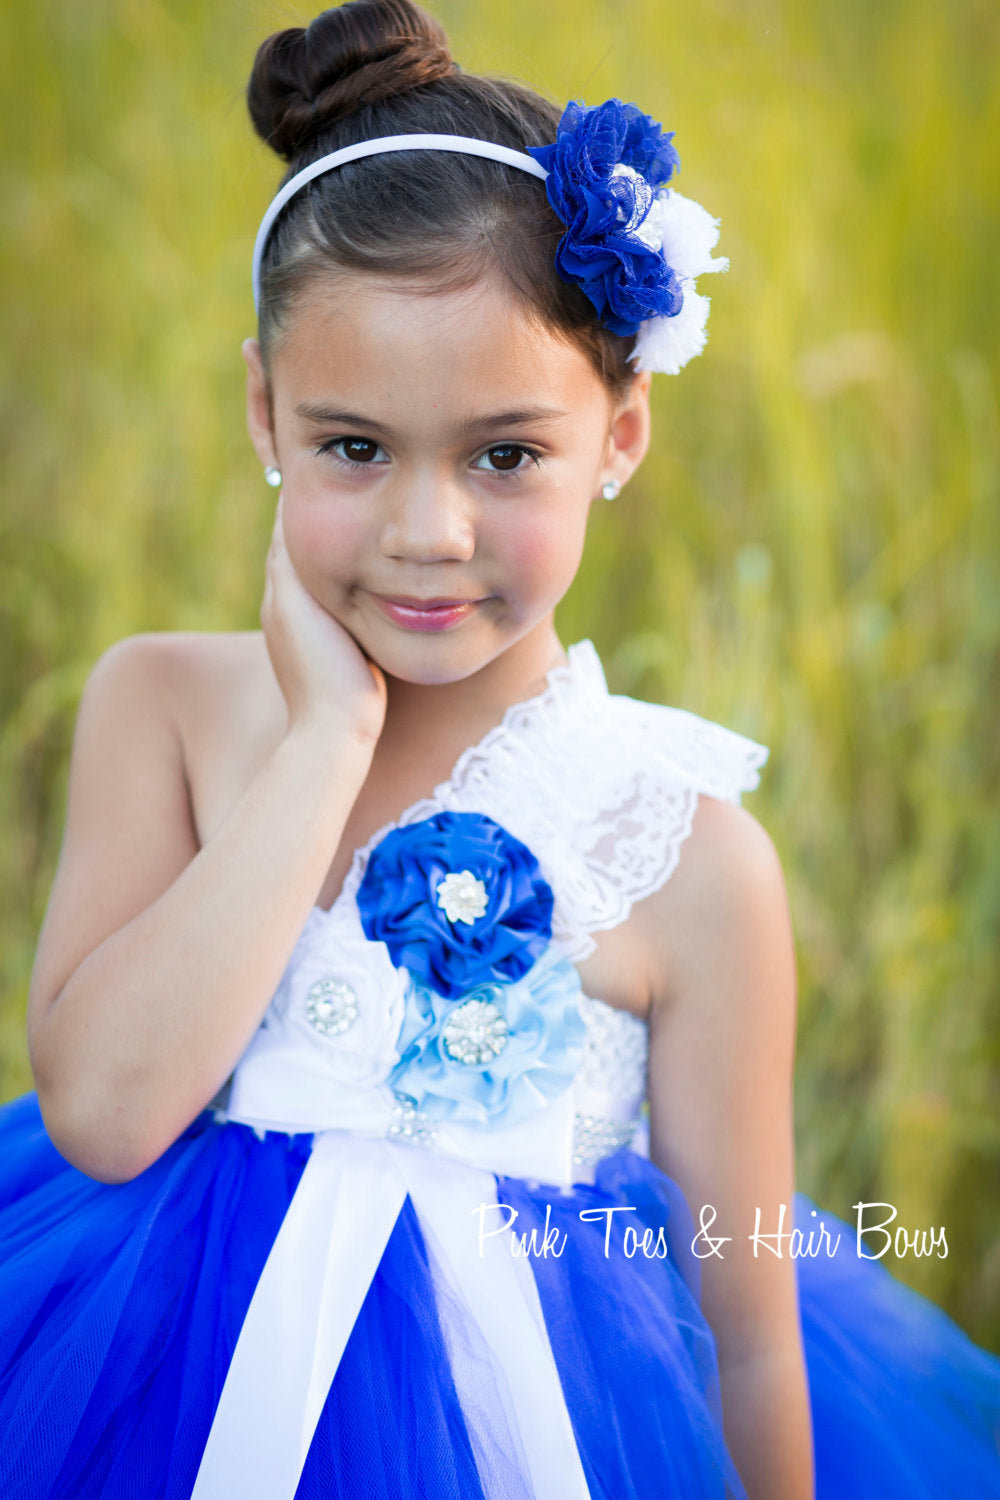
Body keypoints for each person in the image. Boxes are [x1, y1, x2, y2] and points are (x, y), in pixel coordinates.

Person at [1, 2, 998, 1496]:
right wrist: (324, 743)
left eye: (505, 453)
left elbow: (746, 1326)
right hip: (154, 1382)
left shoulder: (688, 858)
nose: (427, 531)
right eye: (354, 446)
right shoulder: (171, 710)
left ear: (620, 438)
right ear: (267, 411)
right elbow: (104, 1112)